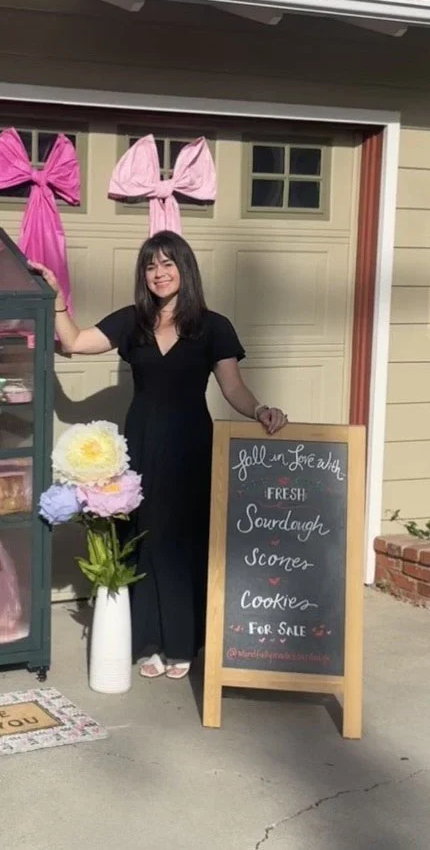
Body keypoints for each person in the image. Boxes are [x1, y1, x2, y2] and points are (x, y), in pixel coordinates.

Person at [31, 231, 287, 680]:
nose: (159, 273)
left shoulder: (214, 326)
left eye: (168, 264)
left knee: (183, 540)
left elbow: (233, 388)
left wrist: (260, 410)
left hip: (191, 445)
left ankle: (182, 642)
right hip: (142, 443)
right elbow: (73, 342)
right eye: (150, 266)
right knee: (144, 536)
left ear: (184, 269)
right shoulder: (131, 321)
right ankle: (148, 640)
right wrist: (55, 298)